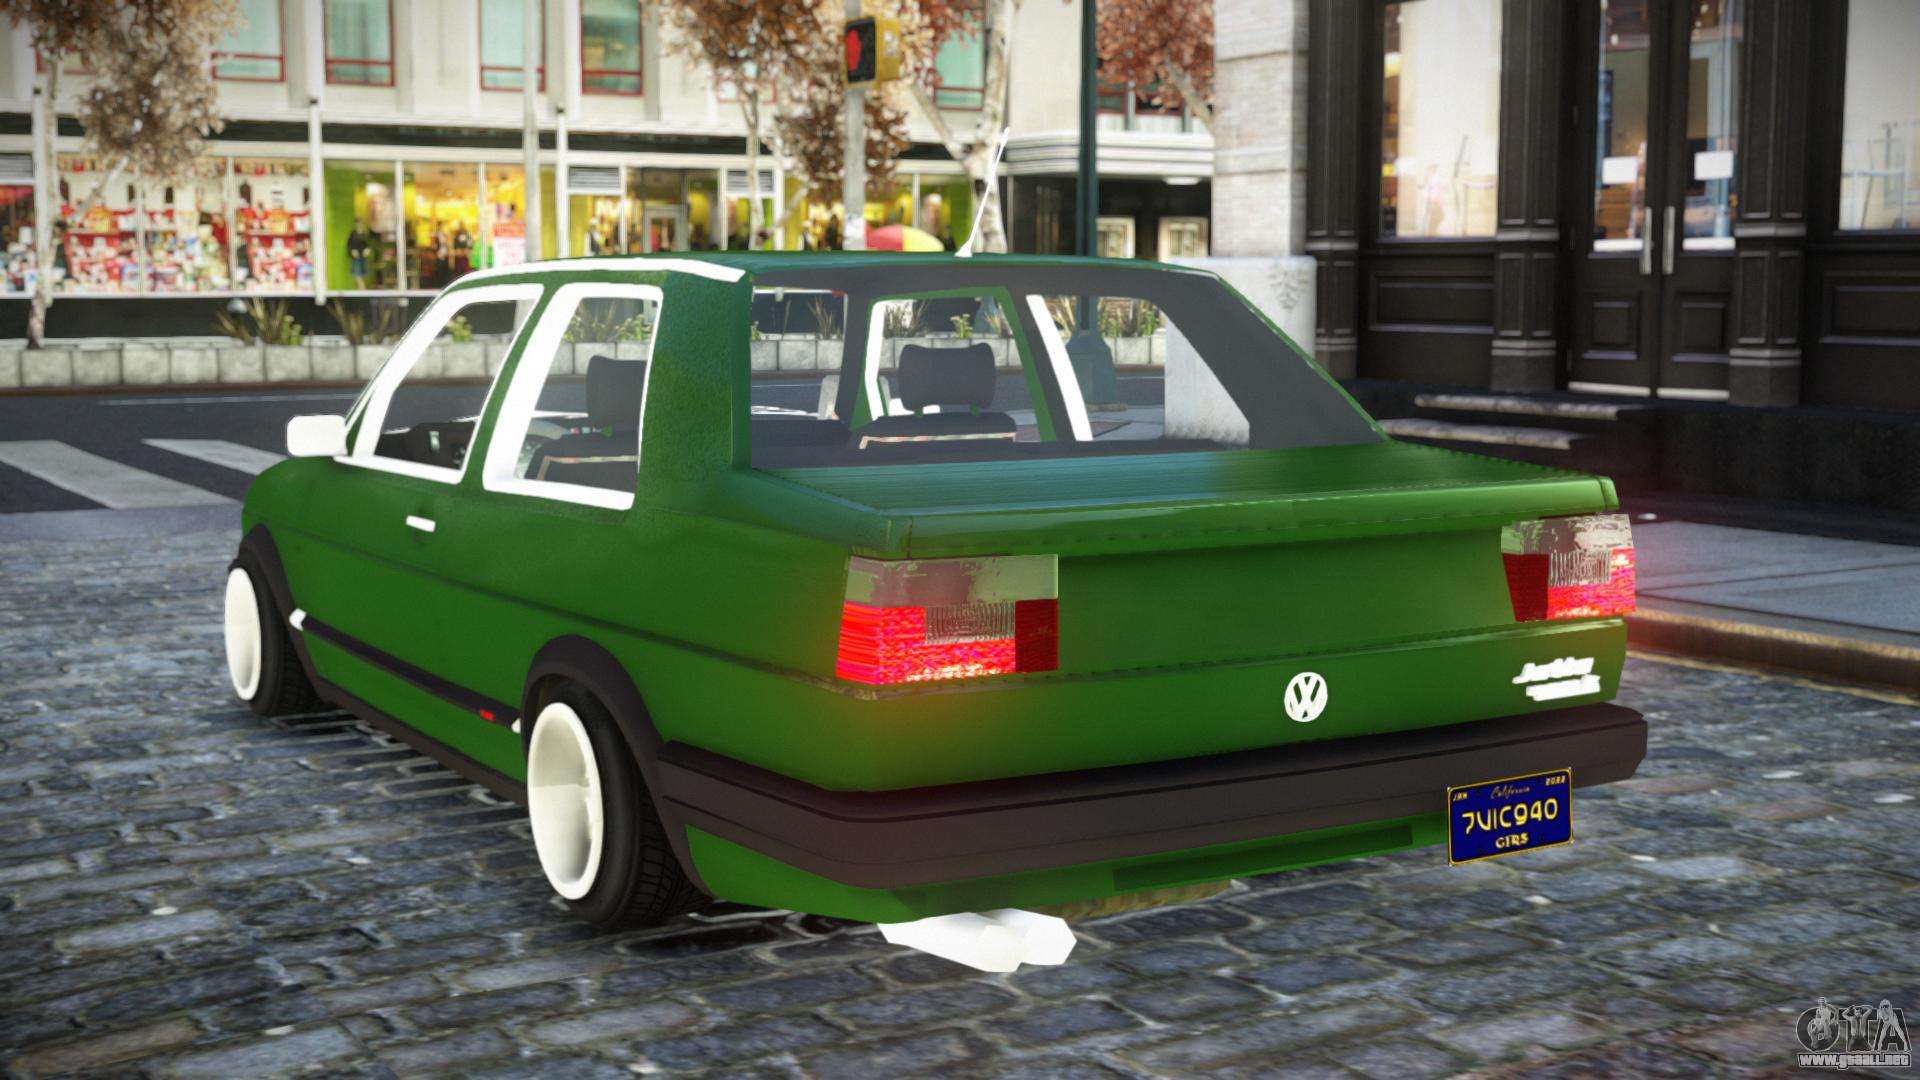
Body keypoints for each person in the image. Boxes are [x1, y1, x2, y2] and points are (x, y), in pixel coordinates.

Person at [346, 219, 374, 289]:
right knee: (357, 275)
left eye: (360, 223)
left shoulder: (365, 234)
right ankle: (363, 290)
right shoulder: (353, 234)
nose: (359, 225)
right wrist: (352, 251)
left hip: (363, 257)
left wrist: (367, 250)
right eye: (358, 224)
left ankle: (362, 289)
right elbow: (349, 245)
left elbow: (369, 244)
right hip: (356, 258)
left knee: (363, 274)